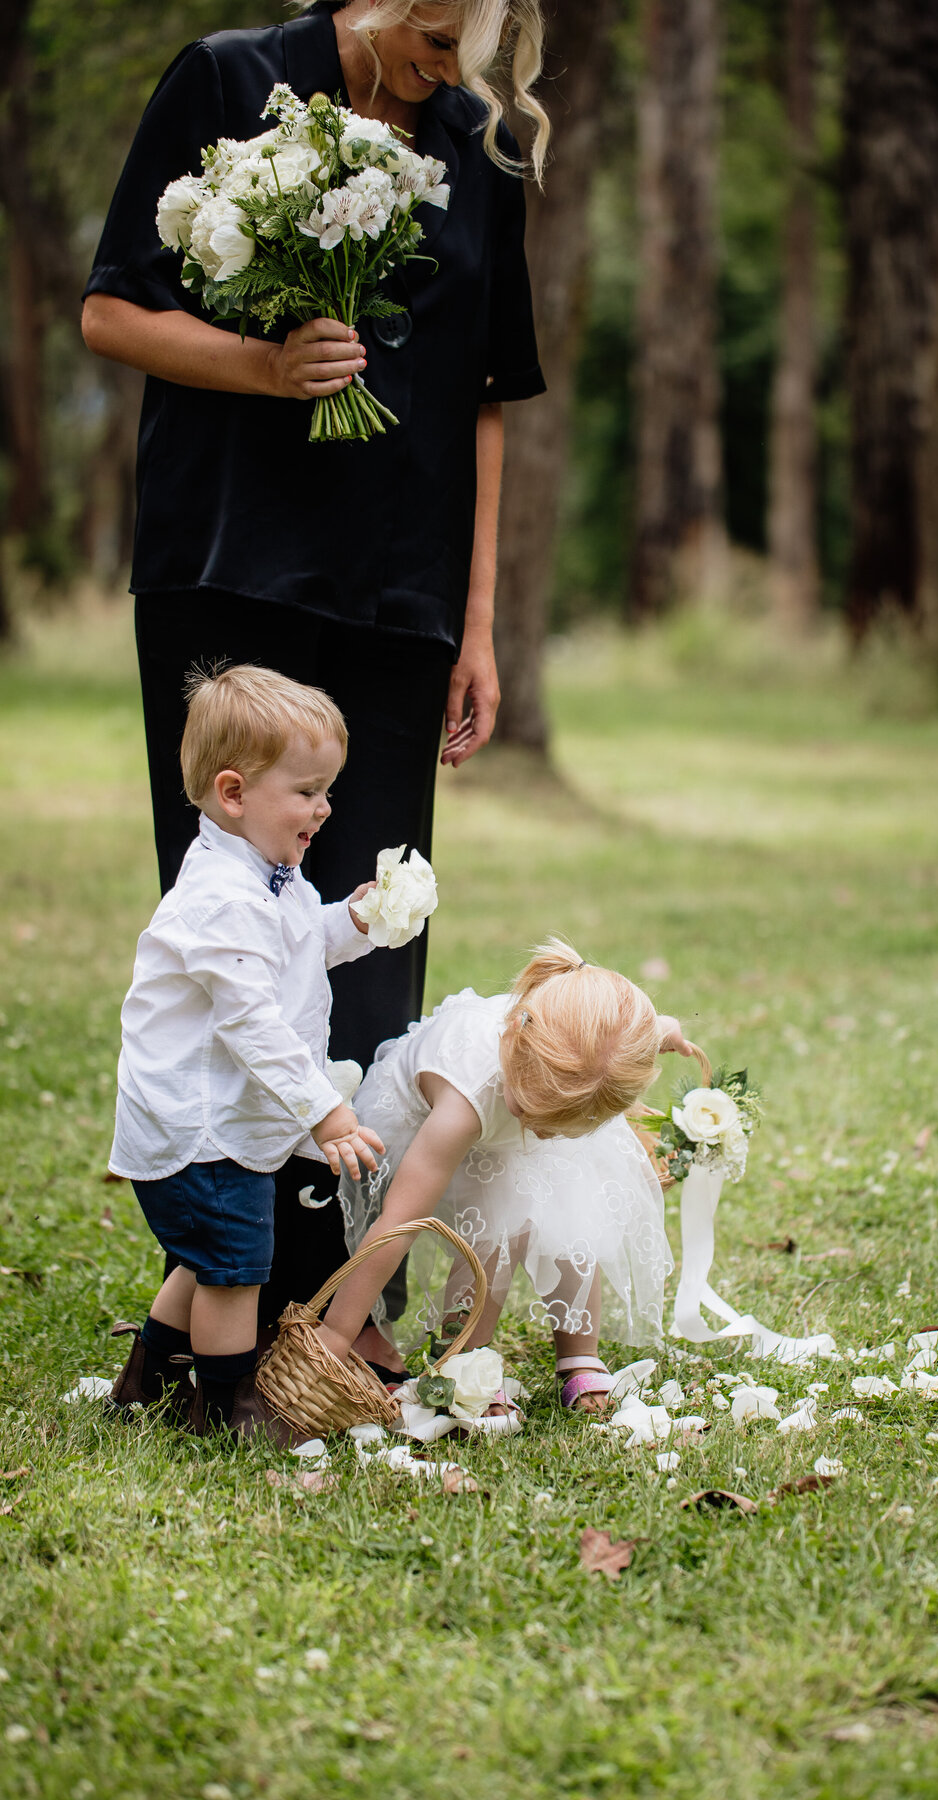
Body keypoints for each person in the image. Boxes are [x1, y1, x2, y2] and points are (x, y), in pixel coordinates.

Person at [80, 0, 550, 1317]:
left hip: (398, 599)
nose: (451, 75)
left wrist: (478, 621)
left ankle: (343, 1308)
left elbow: (489, 396)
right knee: (237, 943)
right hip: (226, 569)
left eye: (473, 52)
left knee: (375, 944)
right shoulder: (231, 78)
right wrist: (263, 366)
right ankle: (224, 1293)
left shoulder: (479, 145)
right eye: (439, 40)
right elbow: (111, 314)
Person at [106, 665, 386, 1444]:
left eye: (326, 789)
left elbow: (296, 948)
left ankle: (146, 1381)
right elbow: (254, 1020)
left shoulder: (273, 877)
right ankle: (228, 1410)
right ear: (233, 793)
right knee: (236, 1267)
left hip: (221, 1122)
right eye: (306, 791)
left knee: (204, 1254)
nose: (324, 808)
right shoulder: (220, 898)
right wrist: (325, 1110)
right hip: (197, 1126)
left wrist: (353, 925)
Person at [325, 942, 702, 1415]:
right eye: (535, 1114)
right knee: (498, 1232)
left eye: (561, 1124)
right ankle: (463, 1362)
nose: (543, 1131)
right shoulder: (464, 1100)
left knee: (574, 1208)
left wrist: (671, 1033)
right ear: (515, 1047)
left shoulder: (588, 1055)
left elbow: (649, 1033)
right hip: (429, 1131)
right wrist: (335, 1334)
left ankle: (579, 1354)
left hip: (505, 1127)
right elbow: (397, 1226)